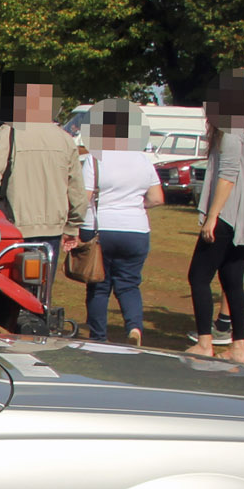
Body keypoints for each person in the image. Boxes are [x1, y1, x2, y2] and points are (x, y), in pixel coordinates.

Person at [189, 69, 244, 363]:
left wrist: (212, 216)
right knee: (232, 281)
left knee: (198, 277)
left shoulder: (232, 134)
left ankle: (204, 342)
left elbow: (227, 178)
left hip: (227, 217)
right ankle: (239, 346)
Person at [79, 101, 164, 344]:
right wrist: (137, 206)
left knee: (99, 286)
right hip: (135, 229)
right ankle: (134, 327)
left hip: (99, 227)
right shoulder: (143, 160)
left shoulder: (95, 160)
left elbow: (84, 199)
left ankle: (98, 337)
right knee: (129, 284)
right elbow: (157, 198)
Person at [0, 82, 86, 252]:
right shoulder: (65, 139)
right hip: (53, 227)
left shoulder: (9, 133)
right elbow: (77, 191)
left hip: (14, 223)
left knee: (10, 278)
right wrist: (73, 226)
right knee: (44, 278)